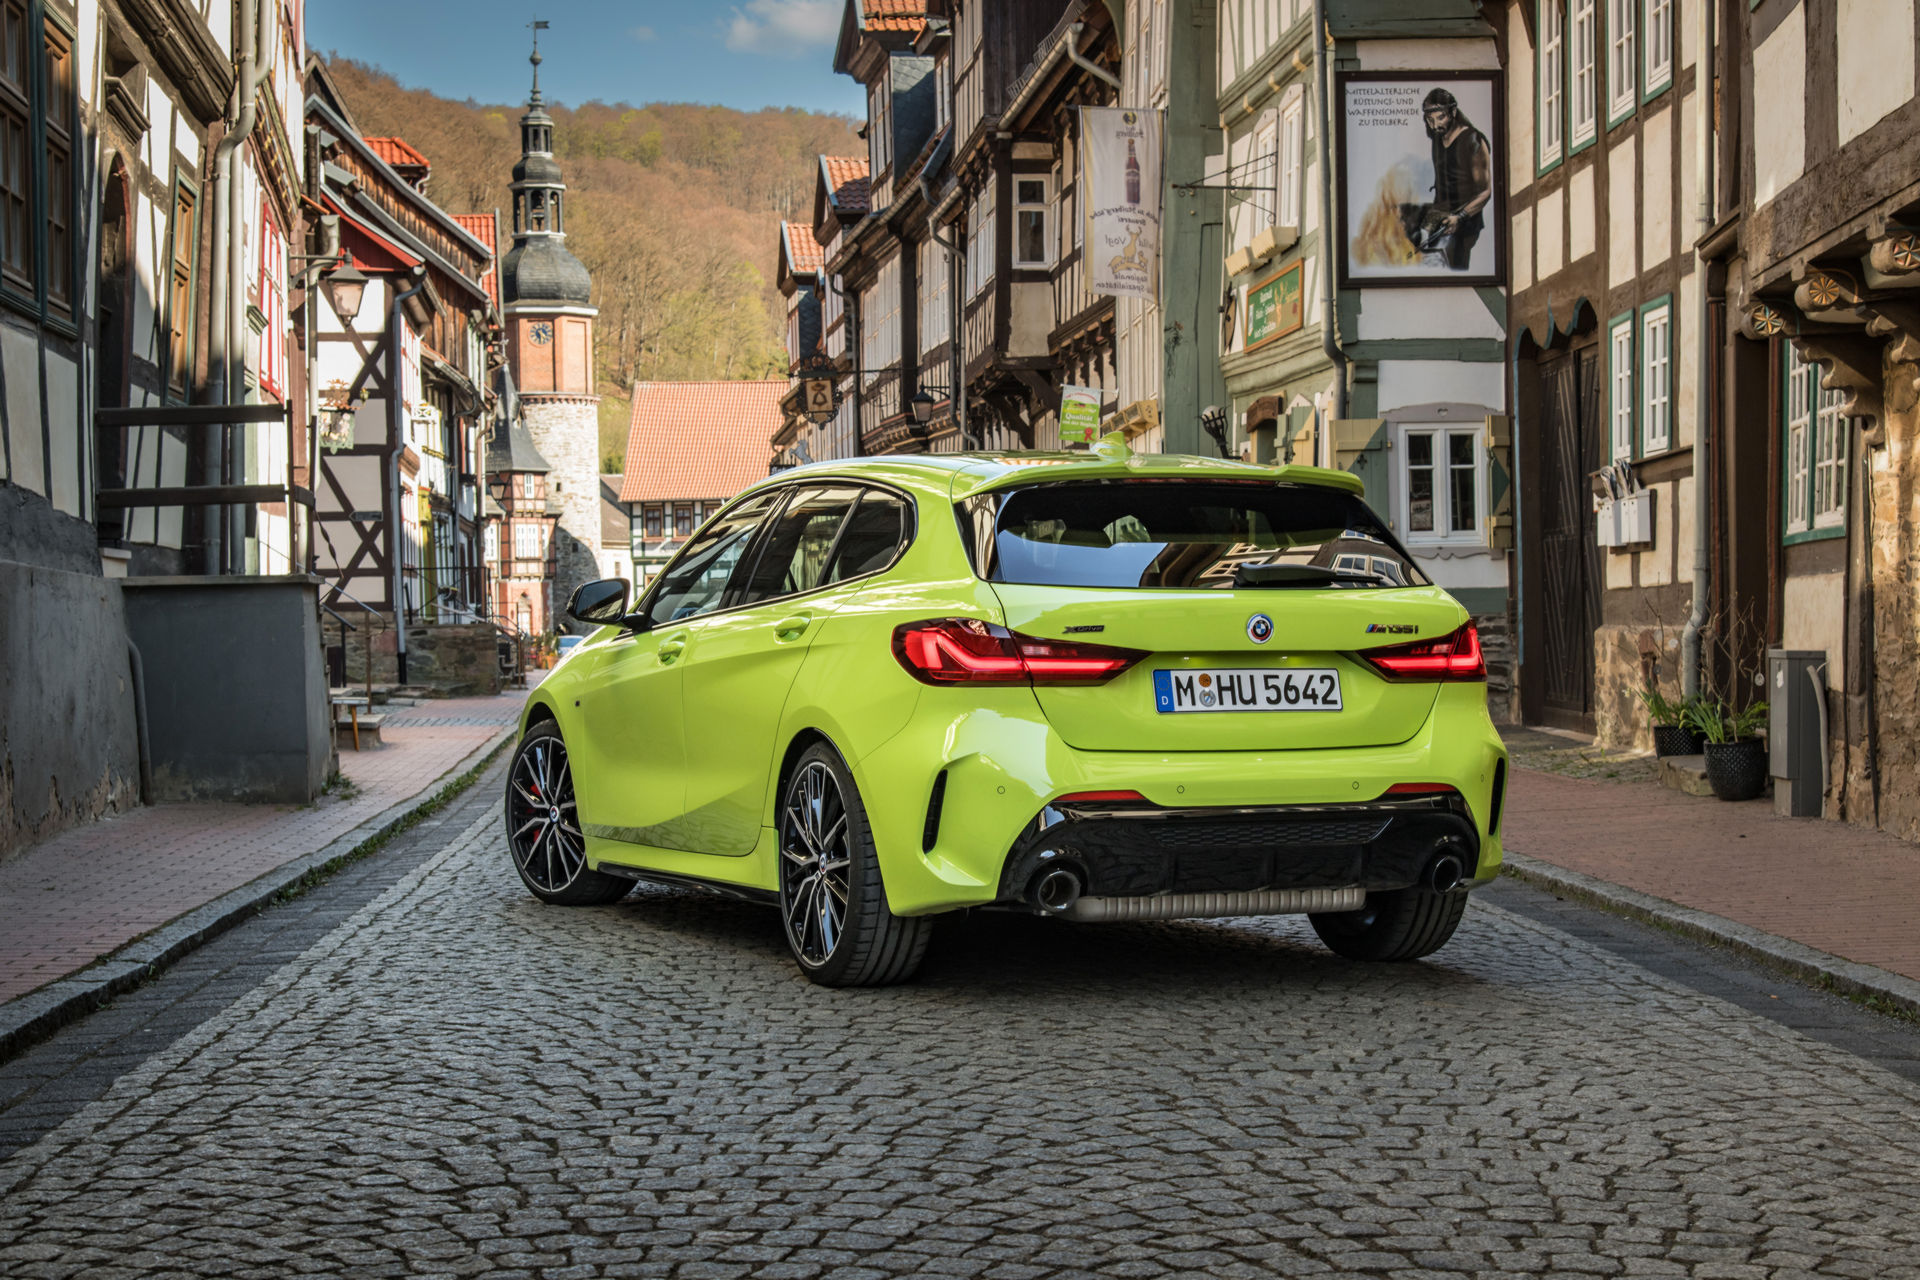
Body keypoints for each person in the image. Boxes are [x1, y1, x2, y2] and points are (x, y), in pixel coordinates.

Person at [1420, 88, 1492, 270]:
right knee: (1430, 269)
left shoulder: (1472, 140)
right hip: (1440, 218)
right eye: (1430, 120)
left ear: (1452, 112)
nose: (1435, 125)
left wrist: (1459, 217)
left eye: (1440, 117)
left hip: (1463, 222)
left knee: (1454, 273)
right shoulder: (1438, 137)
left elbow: (1485, 191)